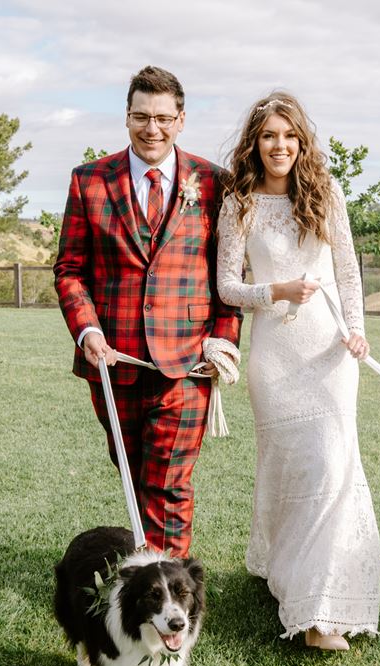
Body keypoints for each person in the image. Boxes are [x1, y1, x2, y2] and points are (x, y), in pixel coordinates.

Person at [53, 66, 242, 558]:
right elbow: (70, 269)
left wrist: (221, 341)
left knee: (170, 484)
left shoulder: (214, 183)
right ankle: (148, 580)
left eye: (162, 117)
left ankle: (172, 595)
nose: (151, 128)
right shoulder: (89, 181)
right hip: (113, 363)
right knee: (135, 476)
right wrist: (87, 330)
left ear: (181, 120)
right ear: (127, 117)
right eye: (141, 116)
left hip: (187, 365)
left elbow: (228, 276)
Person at [216, 91, 380, 651]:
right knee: (290, 472)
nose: (279, 146)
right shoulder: (238, 202)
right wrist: (276, 290)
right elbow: (227, 287)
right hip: (275, 357)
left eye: (289, 136)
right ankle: (285, 572)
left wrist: (357, 329)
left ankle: (319, 613)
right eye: (268, 136)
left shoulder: (326, 194)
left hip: (330, 354)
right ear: (255, 143)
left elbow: (348, 274)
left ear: (302, 141)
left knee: (332, 468)